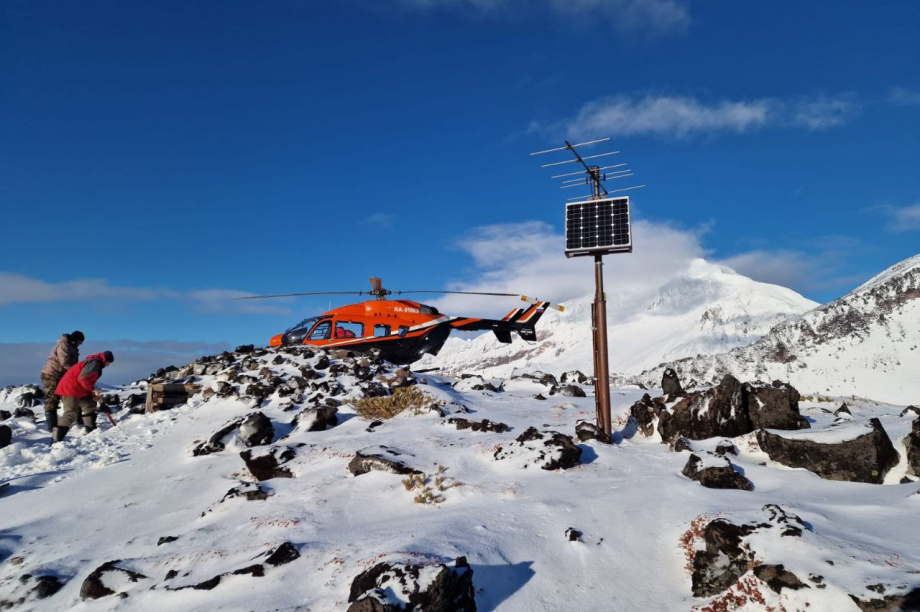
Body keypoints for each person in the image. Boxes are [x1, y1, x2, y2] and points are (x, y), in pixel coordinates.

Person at [52, 351, 114, 443]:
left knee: (89, 404)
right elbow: (83, 379)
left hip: (79, 389)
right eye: (109, 362)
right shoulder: (94, 363)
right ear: (105, 360)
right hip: (70, 389)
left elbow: (86, 382)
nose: (108, 365)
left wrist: (95, 396)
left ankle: (91, 429)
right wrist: (93, 388)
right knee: (71, 413)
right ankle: (56, 439)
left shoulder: (94, 362)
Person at [39, 331, 84, 432]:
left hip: (62, 375)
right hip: (51, 375)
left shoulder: (72, 347)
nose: (80, 345)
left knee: (70, 397)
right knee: (52, 399)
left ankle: (75, 422)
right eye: (79, 342)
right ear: (75, 339)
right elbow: (65, 362)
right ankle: (52, 428)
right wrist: (76, 372)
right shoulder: (63, 345)